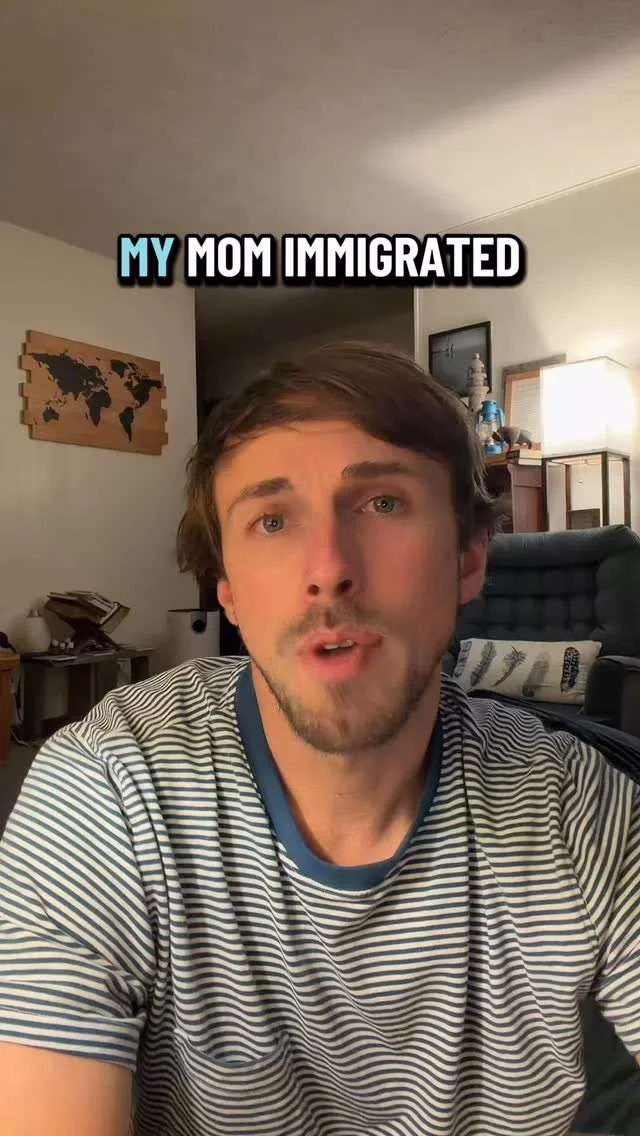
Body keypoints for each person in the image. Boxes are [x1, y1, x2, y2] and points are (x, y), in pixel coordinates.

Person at [0, 341, 638, 1136]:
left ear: (470, 557)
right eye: (272, 520)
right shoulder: (108, 789)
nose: (328, 569)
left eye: (383, 503)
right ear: (228, 591)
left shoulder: (584, 815)